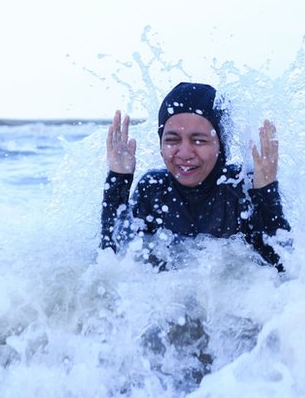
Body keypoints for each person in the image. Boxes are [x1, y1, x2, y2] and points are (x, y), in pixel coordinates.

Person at [100, 82, 290, 271]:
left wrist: (266, 191)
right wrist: (118, 180)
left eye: (199, 140)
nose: (184, 153)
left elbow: (282, 267)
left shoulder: (241, 187)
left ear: (220, 144)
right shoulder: (153, 189)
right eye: (172, 140)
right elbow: (113, 263)